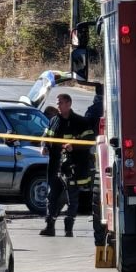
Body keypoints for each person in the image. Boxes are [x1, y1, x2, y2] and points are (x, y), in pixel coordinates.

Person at [40, 93, 93, 237]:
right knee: (52, 197)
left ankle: (68, 229)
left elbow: (89, 141)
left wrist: (73, 147)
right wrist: (44, 145)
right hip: (56, 167)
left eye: (60, 103)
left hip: (73, 167)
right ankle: (50, 227)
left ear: (69, 104)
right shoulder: (54, 121)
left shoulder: (80, 122)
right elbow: (46, 136)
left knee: (72, 199)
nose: (58, 106)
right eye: (57, 103)